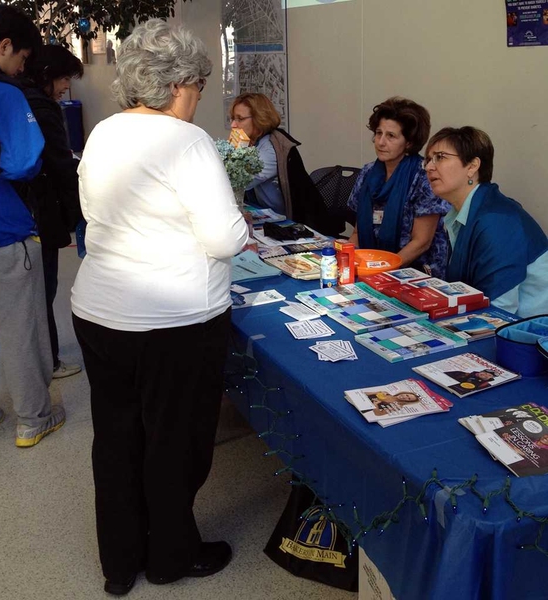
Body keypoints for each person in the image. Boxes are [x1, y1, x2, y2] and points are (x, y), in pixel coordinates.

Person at [71, 20, 249, 596]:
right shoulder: (185, 139)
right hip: (174, 321)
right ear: (180, 85)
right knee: (174, 442)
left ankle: (120, 564)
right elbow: (224, 239)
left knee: (117, 440)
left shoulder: (103, 132)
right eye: (199, 85)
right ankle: (172, 556)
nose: (199, 98)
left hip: (99, 312)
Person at [0, 5, 66, 449]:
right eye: (21, 57)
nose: (22, 67)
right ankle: (33, 419)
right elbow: (24, 162)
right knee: (19, 325)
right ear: (4, 45)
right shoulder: (1, 91)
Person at [424, 126, 548, 317]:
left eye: (440, 157)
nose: (429, 167)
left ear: (472, 166)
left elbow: (499, 310)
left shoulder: (497, 220)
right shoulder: (462, 212)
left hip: (531, 335)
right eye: (428, 159)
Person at [22, 44, 84, 379]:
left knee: (36, 290)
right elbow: (60, 163)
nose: (65, 87)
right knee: (43, 288)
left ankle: (45, 359)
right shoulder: (42, 108)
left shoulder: (21, 97)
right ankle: (50, 361)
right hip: (39, 210)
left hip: (21, 210)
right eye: (62, 79)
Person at [347, 97, 450, 278]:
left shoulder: (425, 175)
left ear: (409, 142)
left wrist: (382, 270)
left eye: (391, 136)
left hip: (416, 272)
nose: (381, 142)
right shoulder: (368, 172)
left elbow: (422, 242)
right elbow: (357, 232)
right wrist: (347, 260)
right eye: (378, 133)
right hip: (372, 268)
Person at [229, 93, 332, 232]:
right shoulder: (252, 143)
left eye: (240, 119)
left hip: (291, 223)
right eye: (233, 118)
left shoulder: (272, 148)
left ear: (259, 119)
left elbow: (239, 182)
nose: (233, 125)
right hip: (267, 215)